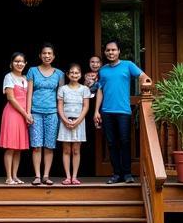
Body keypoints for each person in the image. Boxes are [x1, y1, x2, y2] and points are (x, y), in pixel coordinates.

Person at [92, 39, 151, 184]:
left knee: (125, 142)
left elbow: (143, 76)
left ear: (119, 51)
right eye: (108, 50)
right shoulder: (103, 70)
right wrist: (96, 111)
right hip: (106, 111)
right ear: (105, 53)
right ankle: (116, 174)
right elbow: (99, 90)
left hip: (124, 111)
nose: (111, 52)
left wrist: (146, 83)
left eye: (113, 50)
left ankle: (127, 174)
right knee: (111, 143)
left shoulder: (128, 65)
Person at [26, 43, 63, 186]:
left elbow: (61, 96)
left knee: (49, 145)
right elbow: (29, 93)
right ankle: (37, 176)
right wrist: (28, 112)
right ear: (40, 55)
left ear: (53, 56)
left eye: (49, 54)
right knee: (36, 145)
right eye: (44, 53)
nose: (47, 56)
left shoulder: (59, 73)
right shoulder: (32, 71)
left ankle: (46, 176)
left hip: (52, 113)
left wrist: (61, 114)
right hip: (35, 112)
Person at [0, 52, 32, 185]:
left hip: (23, 114)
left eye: (22, 61)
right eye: (16, 61)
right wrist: (25, 114)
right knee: (11, 146)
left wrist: (28, 114)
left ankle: (15, 176)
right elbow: (11, 98)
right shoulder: (9, 77)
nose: (19, 64)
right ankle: (8, 177)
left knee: (19, 148)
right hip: (12, 114)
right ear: (11, 63)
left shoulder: (26, 78)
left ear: (25, 64)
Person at [57, 63, 91, 185]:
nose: (74, 75)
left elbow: (86, 106)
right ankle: (67, 176)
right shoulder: (62, 89)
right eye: (72, 72)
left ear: (81, 75)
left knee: (76, 150)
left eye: (77, 73)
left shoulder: (84, 89)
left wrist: (78, 121)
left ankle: (75, 176)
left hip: (79, 122)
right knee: (66, 150)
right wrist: (65, 120)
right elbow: (60, 106)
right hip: (65, 122)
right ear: (67, 74)